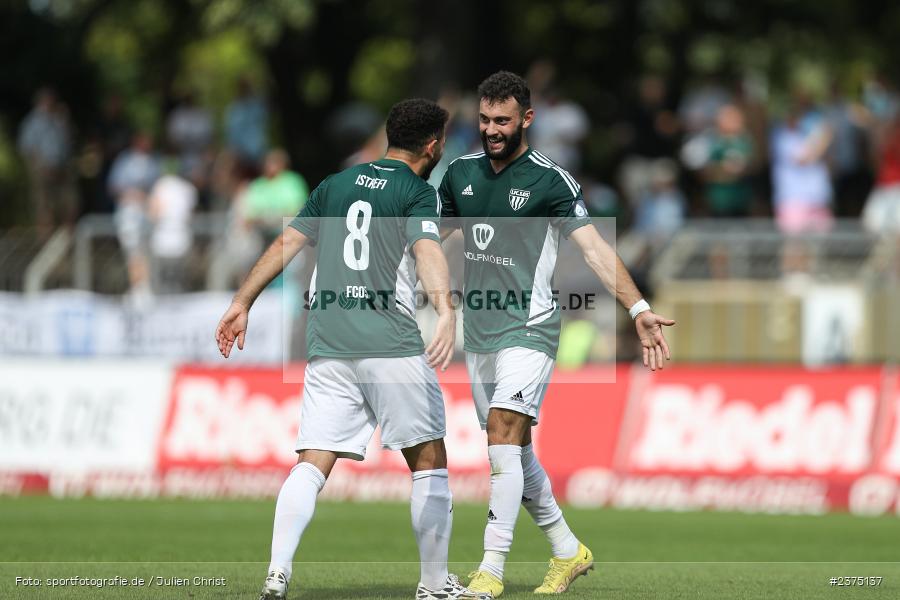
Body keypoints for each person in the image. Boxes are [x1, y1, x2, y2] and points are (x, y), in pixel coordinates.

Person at [215, 98, 488, 600]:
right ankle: (433, 585)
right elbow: (428, 250)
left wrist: (241, 301)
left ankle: (277, 574)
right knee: (429, 460)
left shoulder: (334, 185)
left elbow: (285, 244)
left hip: (329, 340)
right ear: (434, 145)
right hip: (390, 341)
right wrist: (446, 310)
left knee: (311, 461)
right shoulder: (415, 191)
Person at [438, 71, 675, 597]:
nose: (491, 130)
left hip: (531, 327)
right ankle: (569, 552)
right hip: (479, 333)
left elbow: (593, 249)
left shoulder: (551, 181)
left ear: (527, 119)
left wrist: (637, 307)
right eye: (483, 120)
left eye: (502, 121)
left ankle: (490, 572)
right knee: (514, 452)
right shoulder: (459, 175)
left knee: (503, 434)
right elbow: (431, 237)